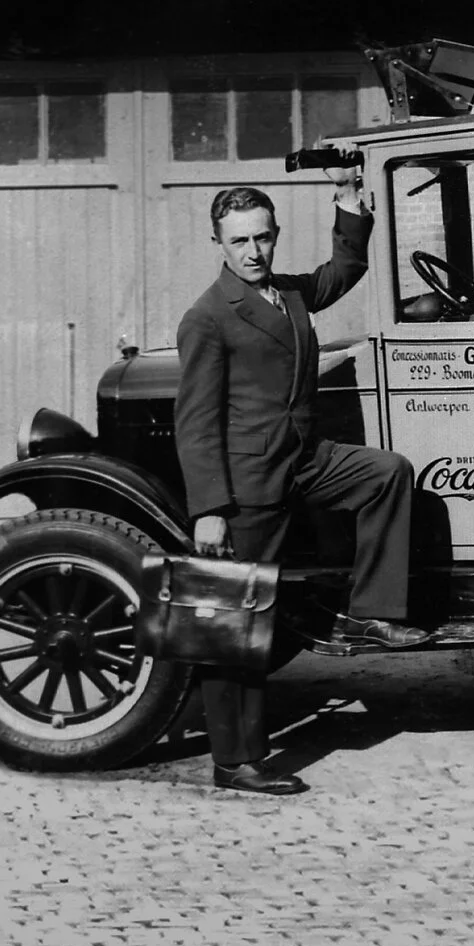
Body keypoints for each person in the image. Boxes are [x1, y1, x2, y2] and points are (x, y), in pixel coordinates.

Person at [176, 174, 431, 796]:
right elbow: (197, 422)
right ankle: (236, 759)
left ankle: (372, 613)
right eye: (240, 241)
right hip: (248, 486)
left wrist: (348, 203)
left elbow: (343, 270)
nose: (253, 252)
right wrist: (209, 508)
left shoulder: (287, 294)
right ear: (218, 242)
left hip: (302, 461)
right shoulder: (208, 317)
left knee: (385, 473)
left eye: (263, 238)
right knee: (239, 626)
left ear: (275, 236)